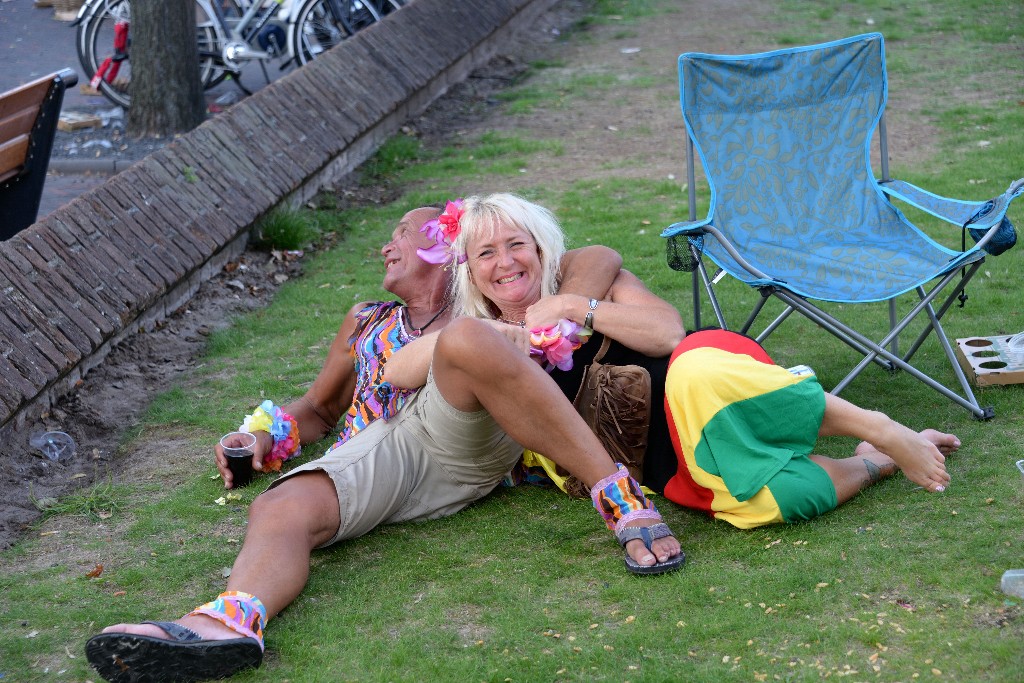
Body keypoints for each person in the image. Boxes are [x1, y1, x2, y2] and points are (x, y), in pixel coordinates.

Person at [85, 203, 675, 683]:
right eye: (486, 251)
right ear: (468, 261)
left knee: (467, 338)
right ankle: (229, 622)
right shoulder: (377, 319)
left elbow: (596, 258)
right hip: (392, 447)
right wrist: (264, 432)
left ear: (443, 256)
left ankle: (619, 499)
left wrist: (563, 305)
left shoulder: (491, 293)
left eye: (401, 234)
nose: (386, 247)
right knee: (280, 507)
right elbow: (327, 403)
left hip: (469, 433)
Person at [385, 192, 958, 533]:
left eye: (516, 244)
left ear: (539, 248)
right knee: (766, 506)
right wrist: (489, 334)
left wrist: (575, 308)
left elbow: (667, 332)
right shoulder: (474, 337)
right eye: (486, 252)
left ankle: (877, 425)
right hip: (664, 458)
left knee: (696, 375)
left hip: (708, 376)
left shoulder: (584, 283)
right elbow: (398, 371)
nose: (505, 262)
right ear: (469, 269)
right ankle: (873, 462)